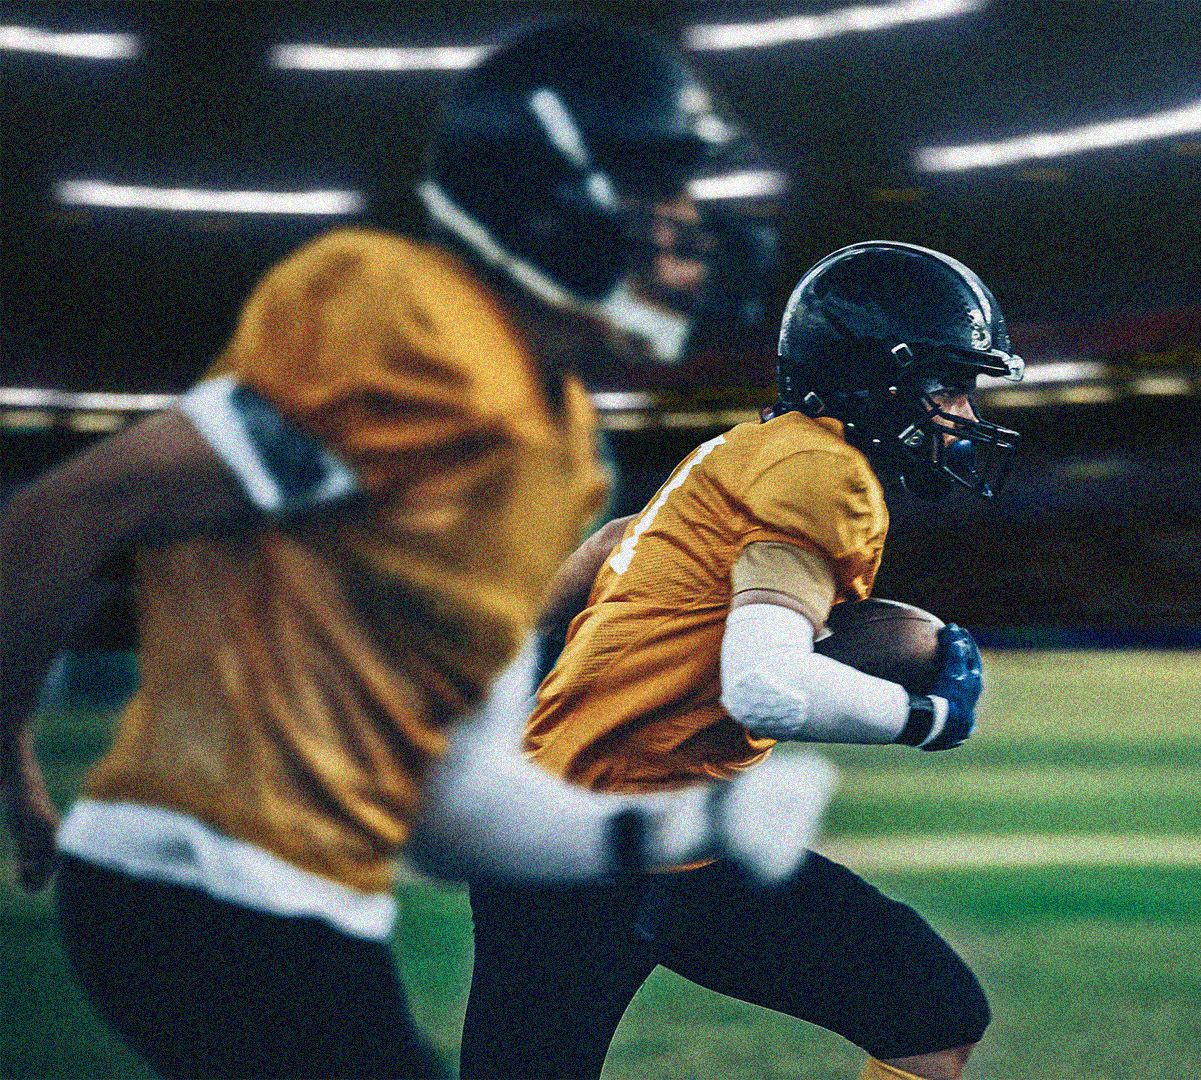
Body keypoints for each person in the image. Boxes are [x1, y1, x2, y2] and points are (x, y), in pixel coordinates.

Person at [0, 19, 829, 1079]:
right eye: (654, 193)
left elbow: (454, 808)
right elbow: (59, 518)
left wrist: (681, 825)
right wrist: (9, 738)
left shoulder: (560, 454)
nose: (686, 232)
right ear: (540, 197)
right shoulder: (402, 322)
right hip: (192, 884)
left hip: (307, 915)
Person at [459, 241, 1025, 1080]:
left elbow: (618, 542)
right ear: (881, 376)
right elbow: (763, 685)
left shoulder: (756, 451)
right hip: (578, 855)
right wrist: (926, 715)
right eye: (951, 384)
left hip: (688, 842)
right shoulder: (821, 473)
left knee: (930, 1012)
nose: (966, 414)